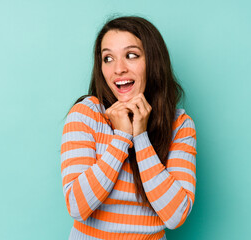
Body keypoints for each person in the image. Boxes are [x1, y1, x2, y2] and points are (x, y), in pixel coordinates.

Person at [61, 16, 197, 240]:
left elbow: (175, 215)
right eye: (108, 58)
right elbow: (77, 206)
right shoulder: (85, 115)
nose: (118, 69)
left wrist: (140, 136)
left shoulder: (180, 126)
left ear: (153, 61)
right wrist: (122, 137)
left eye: (131, 55)